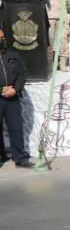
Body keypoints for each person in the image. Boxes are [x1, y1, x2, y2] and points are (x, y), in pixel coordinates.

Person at [0, 29, 33, 167]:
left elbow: (22, 74)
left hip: (12, 97)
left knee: (16, 127)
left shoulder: (13, 56)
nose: (2, 40)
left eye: (3, 38)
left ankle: (19, 157)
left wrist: (15, 89)